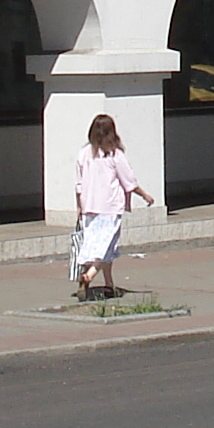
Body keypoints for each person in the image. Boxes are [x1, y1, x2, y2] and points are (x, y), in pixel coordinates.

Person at [72, 112, 154, 297]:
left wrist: (79, 206)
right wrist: (144, 195)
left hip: (89, 207)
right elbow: (128, 180)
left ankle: (109, 284)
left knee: (94, 245)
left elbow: (78, 184)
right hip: (109, 208)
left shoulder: (84, 153)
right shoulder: (114, 154)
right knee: (106, 246)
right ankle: (89, 276)